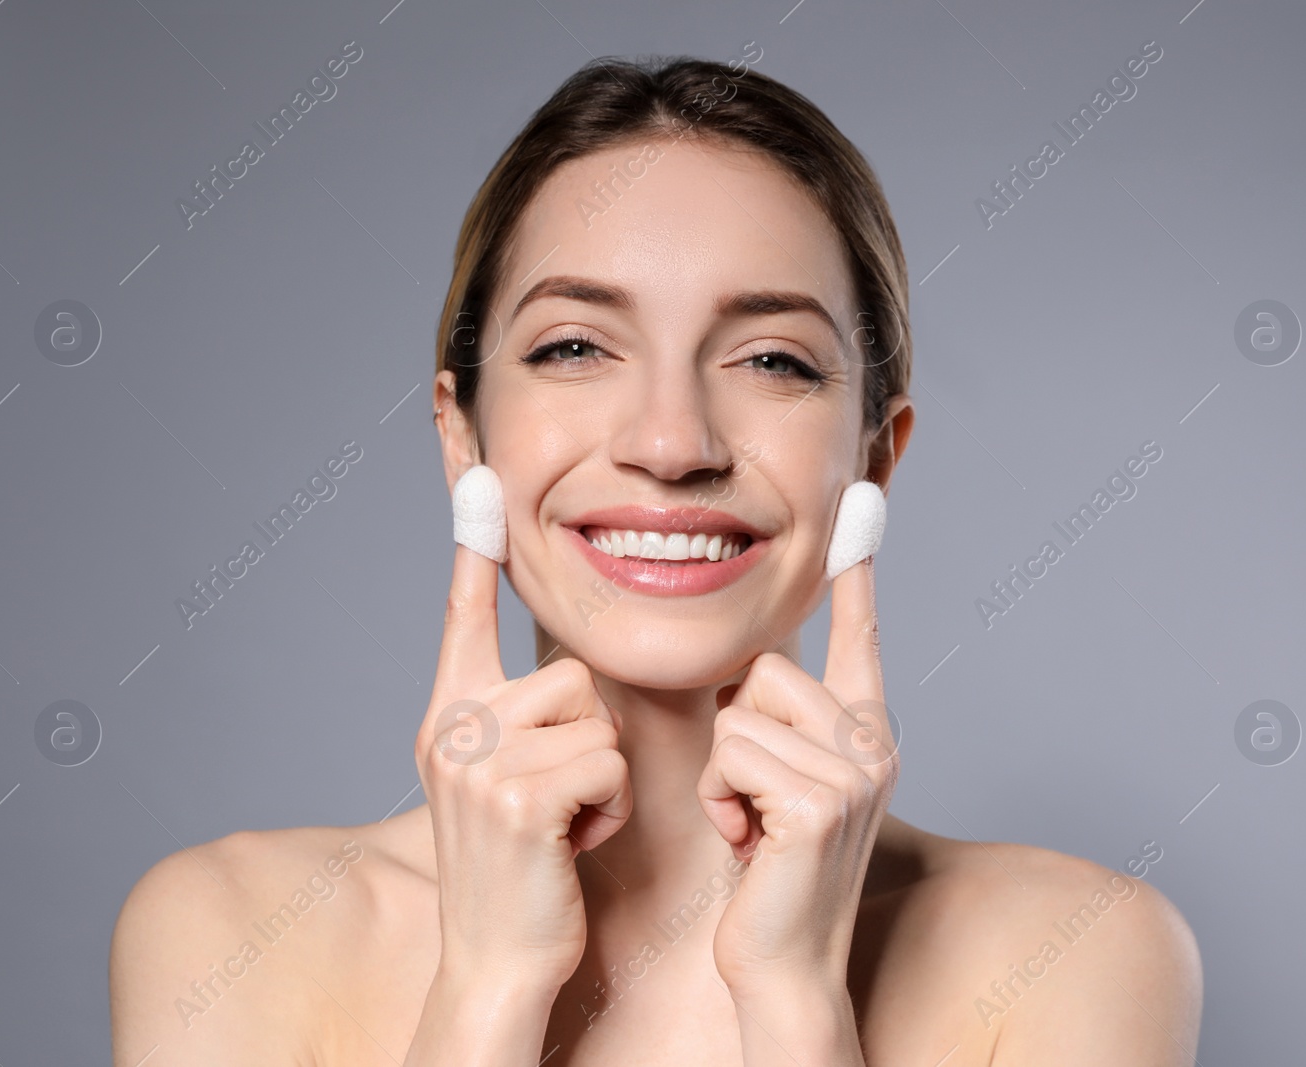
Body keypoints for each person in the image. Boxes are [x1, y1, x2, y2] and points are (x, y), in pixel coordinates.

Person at [110, 53, 1202, 1065]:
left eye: (772, 358)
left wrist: (792, 995)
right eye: (574, 346)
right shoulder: (228, 930)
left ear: (875, 454)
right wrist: (487, 986)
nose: (672, 443)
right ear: (462, 436)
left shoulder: (1080, 951)